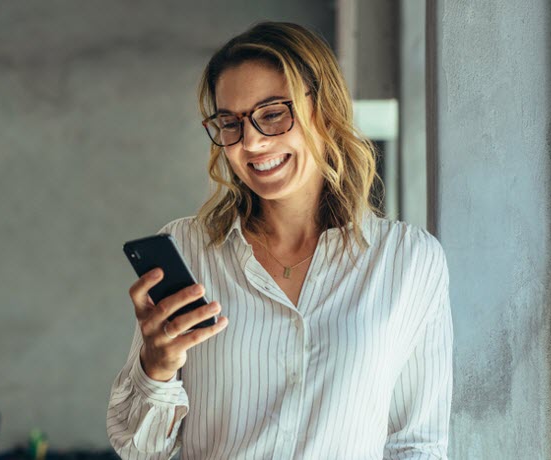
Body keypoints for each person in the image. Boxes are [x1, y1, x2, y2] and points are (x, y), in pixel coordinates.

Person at [106, 21, 452, 460]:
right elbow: (141, 450)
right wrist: (155, 370)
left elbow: (417, 444)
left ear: (324, 110)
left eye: (272, 113)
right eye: (229, 123)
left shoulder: (409, 261)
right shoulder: (188, 250)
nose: (250, 142)